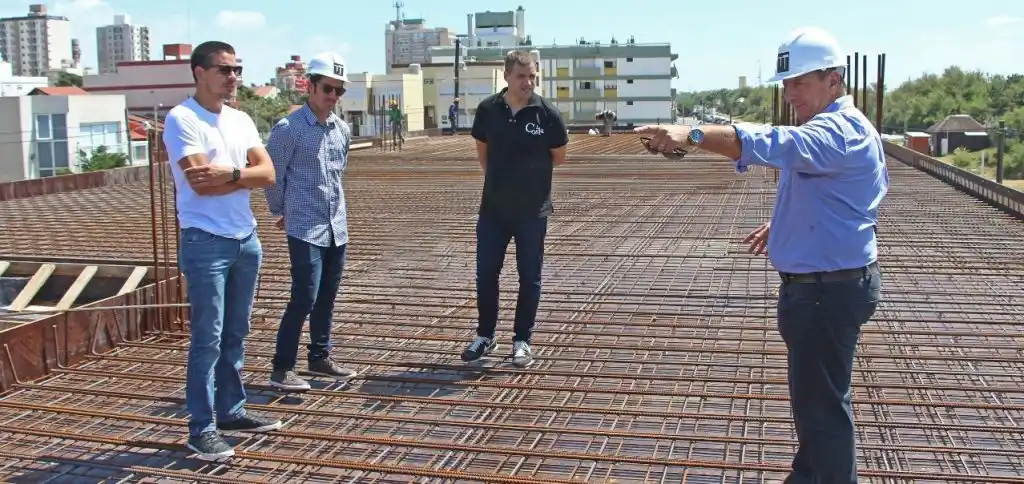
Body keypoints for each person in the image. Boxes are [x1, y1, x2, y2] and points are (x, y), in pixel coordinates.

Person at [634, 27, 888, 484]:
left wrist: (693, 134)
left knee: (823, 414)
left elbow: (775, 143)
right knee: (820, 408)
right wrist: (788, 223)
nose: (790, 94)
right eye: (787, 84)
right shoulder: (842, 129)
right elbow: (851, 195)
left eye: (799, 83)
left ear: (833, 81)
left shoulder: (837, 131)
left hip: (824, 294)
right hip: (827, 287)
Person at [162, 40, 281, 461]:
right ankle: (201, 428)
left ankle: (231, 411)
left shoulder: (240, 119)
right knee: (207, 338)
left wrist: (229, 174)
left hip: (245, 239)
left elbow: (268, 174)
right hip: (205, 240)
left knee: (236, 333)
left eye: (237, 70)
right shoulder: (182, 118)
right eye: (224, 69)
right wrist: (244, 175)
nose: (233, 77)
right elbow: (200, 184)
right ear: (200, 73)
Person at [462, 50, 568, 368]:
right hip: (493, 211)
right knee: (486, 275)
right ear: (506, 76)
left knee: (529, 278)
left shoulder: (548, 114)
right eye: (521, 76)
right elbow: (484, 154)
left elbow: (558, 157)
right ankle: (485, 336)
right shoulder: (488, 110)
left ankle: (523, 340)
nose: (528, 82)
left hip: (532, 213)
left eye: (532, 76)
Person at [263, 51, 359, 392]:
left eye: (339, 90)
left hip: (336, 226)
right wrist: (281, 211)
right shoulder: (288, 129)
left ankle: (320, 356)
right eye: (327, 88)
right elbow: (272, 176)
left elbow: (338, 174)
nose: (333, 96)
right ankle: (282, 368)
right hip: (304, 226)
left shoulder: (341, 129)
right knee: (304, 297)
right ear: (310, 86)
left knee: (327, 295)